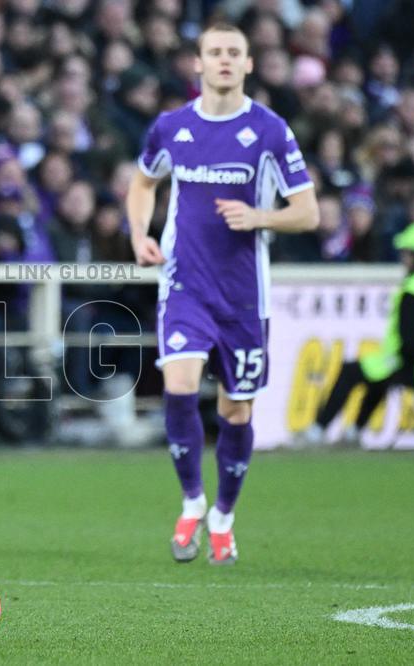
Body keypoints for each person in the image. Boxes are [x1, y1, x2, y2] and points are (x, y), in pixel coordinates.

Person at [125, 22, 319, 565]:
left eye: (235, 52)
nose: (225, 60)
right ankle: (191, 501)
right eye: (216, 52)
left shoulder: (270, 130)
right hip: (185, 283)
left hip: (243, 297)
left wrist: (259, 216)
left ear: (249, 64)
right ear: (199, 64)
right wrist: (140, 234)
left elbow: (308, 211)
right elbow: (143, 182)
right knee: (180, 384)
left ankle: (224, 518)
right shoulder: (171, 127)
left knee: (236, 412)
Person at [306, 222, 414, 443]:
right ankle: (355, 431)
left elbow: (412, 344)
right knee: (379, 372)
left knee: (356, 370)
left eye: (407, 254)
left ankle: (317, 431)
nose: (403, 259)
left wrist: (397, 361)